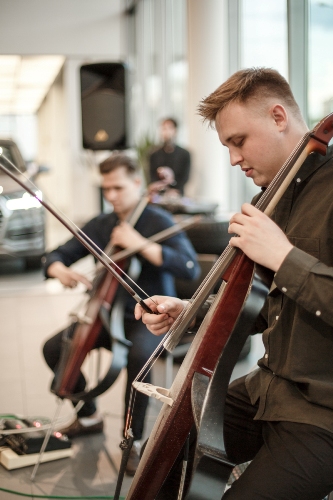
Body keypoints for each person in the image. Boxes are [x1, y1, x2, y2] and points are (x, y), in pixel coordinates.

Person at [135, 68, 333, 499]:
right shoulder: (272, 199)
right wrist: (191, 311)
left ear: (279, 117)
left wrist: (283, 256)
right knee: (166, 445)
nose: (233, 159)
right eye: (226, 146)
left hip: (323, 412)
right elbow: (263, 304)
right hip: (269, 386)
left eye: (238, 141)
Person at [42, 152, 199, 475]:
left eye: (118, 188)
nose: (111, 196)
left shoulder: (158, 221)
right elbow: (58, 254)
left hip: (148, 318)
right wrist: (58, 269)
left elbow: (189, 267)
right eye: (106, 190)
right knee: (54, 347)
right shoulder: (102, 225)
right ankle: (88, 415)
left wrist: (141, 244)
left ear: (137, 183)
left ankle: (134, 439)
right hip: (105, 315)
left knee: (139, 359)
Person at [149, 117, 191, 196]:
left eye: (169, 128)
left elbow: (185, 178)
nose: (166, 132)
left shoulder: (184, 154)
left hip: (177, 194)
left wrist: (174, 188)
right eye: (164, 128)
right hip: (159, 195)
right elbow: (152, 177)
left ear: (175, 131)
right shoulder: (154, 154)